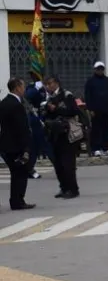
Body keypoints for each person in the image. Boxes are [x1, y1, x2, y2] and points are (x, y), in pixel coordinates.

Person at [41, 75, 82, 198]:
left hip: (67, 133)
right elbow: (47, 115)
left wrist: (57, 109)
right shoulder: (49, 98)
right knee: (58, 163)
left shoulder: (66, 95)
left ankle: (73, 189)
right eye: (46, 84)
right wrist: (47, 109)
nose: (48, 86)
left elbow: (73, 111)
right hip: (55, 134)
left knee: (68, 163)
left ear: (57, 83)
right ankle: (63, 187)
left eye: (50, 83)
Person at [0, 77, 35, 211]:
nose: (24, 89)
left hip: (6, 145)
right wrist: (25, 147)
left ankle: (16, 200)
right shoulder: (16, 105)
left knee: (16, 173)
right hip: (16, 146)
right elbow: (21, 128)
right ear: (17, 88)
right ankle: (18, 201)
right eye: (23, 87)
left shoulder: (4, 102)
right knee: (20, 173)